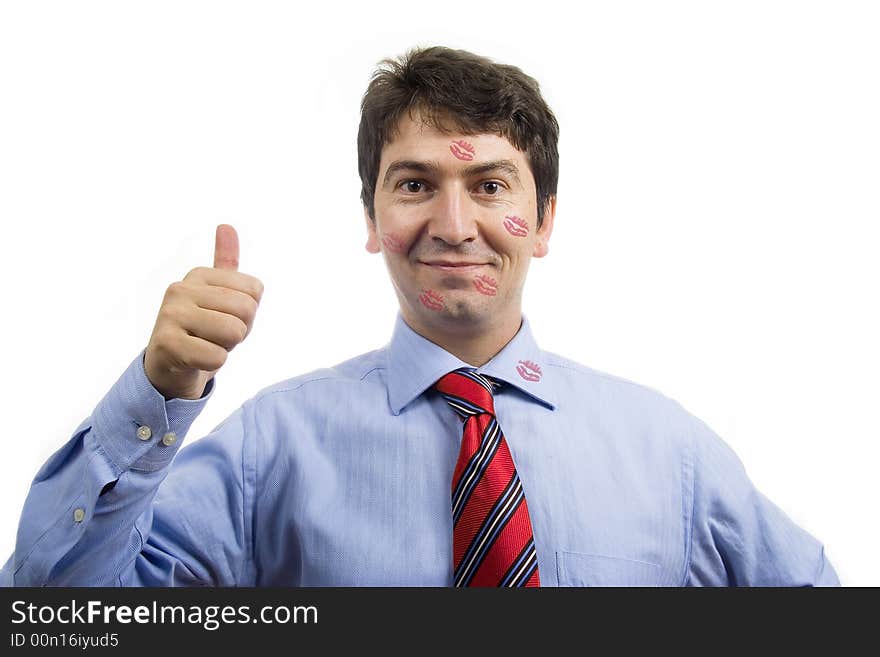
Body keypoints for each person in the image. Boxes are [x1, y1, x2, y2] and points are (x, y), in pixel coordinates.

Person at [0, 46, 838, 587]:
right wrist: (158, 389)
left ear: (543, 221)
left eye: (489, 186)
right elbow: (60, 619)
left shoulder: (672, 455)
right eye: (413, 184)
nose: (453, 224)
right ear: (371, 220)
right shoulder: (270, 451)